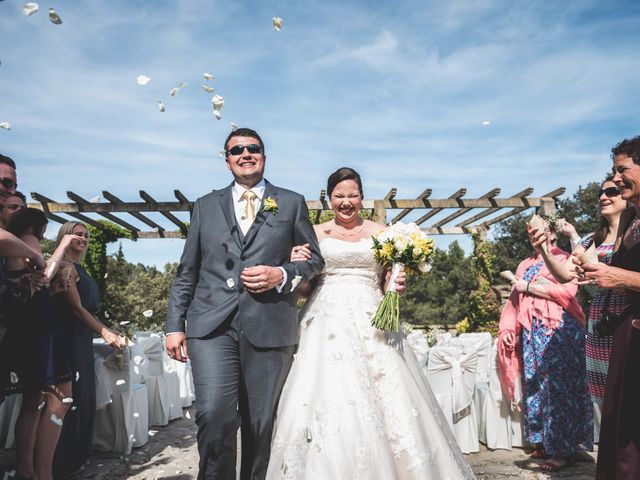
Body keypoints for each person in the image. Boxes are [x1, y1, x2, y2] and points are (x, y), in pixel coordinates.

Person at [266, 167, 475, 479]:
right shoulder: (315, 232)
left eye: (353, 195)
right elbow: (305, 288)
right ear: (329, 199)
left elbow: (389, 280)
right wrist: (296, 267)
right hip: (324, 320)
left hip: (374, 318)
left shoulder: (383, 233)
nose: (346, 202)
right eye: (340, 196)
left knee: (390, 394)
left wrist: (396, 282)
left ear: (362, 197)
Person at [165, 128, 324, 480]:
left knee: (261, 422)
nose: (245, 154)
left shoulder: (292, 201)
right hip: (211, 326)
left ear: (264, 156)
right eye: (237, 150)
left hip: (269, 323)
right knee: (214, 414)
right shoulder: (205, 206)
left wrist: (281, 273)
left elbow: (315, 261)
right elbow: (187, 269)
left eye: (253, 148)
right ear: (226, 159)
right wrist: (175, 324)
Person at [528, 179, 626, 432]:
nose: (603, 197)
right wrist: (545, 251)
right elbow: (564, 274)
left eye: (611, 192)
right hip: (599, 324)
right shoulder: (592, 239)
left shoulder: (632, 238)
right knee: (606, 403)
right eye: (600, 193)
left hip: (626, 319)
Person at [498, 219, 592, 472]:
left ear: (552, 233)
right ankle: (544, 442)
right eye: (530, 232)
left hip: (560, 330)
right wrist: (508, 328)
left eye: (538, 230)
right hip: (531, 333)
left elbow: (569, 292)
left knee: (559, 388)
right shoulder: (525, 264)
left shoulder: (566, 258)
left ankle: (564, 449)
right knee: (535, 387)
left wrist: (529, 286)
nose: (533, 235)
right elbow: (514, 301)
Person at [1, 209, 87, 480]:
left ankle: (26, 469)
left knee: (31, 401)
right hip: (39, 324)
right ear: (36, 226)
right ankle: (44, 473)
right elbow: (45, 276)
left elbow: (20, 281)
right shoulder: (28, 240)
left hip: (22, 325)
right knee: (60, 398)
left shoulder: (11, 244)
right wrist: (61, 246)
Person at [575, 135, 640, 479]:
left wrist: (621, 278)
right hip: (624, 338)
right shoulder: (632, 220)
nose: (615, 180)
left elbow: (625, 277)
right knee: (621, 431)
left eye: (622, 170)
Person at [51, 221, 126, 477]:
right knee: (71, 399)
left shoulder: (82, 268)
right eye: (77, 234)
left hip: (82, 338)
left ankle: (78, 456)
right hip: (67, 338)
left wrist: (110, 331)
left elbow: (89, 310)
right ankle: (62, 461)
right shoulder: (64, 266)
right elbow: (75, 309)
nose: (83, 238)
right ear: (64, 237)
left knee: (84, 396)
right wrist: (103, 332)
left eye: (86, 235)